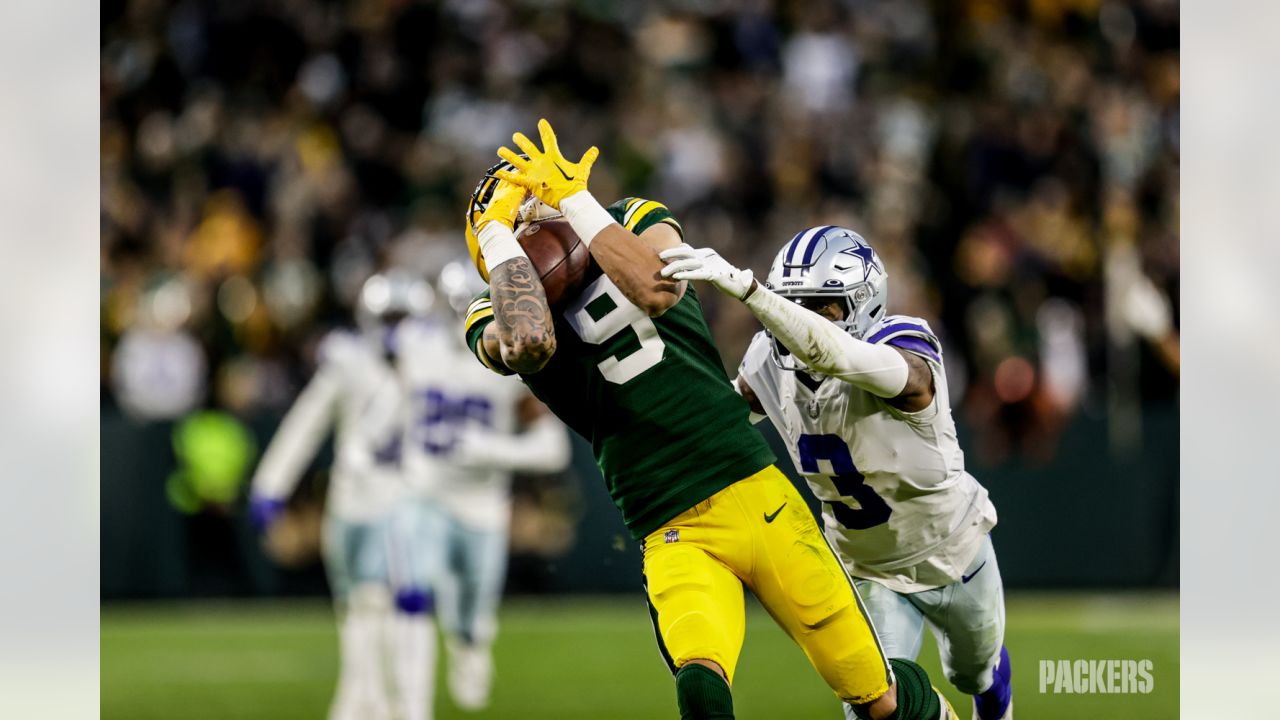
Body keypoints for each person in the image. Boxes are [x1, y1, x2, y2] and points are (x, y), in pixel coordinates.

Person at [462, 119, 955, 720]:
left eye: (538, 201)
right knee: (701, 689)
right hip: (668, 524)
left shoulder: (632, 217)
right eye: (524, 215)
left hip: (755, 491)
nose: (537, 216)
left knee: (879, 698)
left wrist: (574, 202)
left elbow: (656, 288)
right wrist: (497, 235)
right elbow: (532, 340)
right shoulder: (492, 311)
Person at [659, 227, 1012, 720]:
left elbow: (838, 355)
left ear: (862, 302)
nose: (799, 318)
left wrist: (751, 292)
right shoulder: (768, 358)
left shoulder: (905, 344)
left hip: (954, 545)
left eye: (820, 305)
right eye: (792, 302)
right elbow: (717, 424)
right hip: (867, 568)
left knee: (975, 672)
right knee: (873, 707)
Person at [389, 258, 571, 713]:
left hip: (482, 503)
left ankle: (467, 642)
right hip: (423, 493)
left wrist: (490, 449)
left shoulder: (513, 361)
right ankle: (412, 707)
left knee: (472, 619)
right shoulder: (412, 345)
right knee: (413, 593)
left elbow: (554, 449)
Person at [249, 271, 431, 720]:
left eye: (402, 317)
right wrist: (271, 484)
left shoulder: (437, 363)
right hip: (353, 500)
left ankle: (403, 704)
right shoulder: (349, 361)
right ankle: (360, 697)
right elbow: (307, 421)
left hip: (408, 501)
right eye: (389, 317)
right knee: (358, 606)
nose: (395, 327)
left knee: (403, 607)